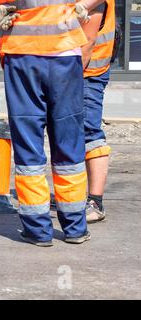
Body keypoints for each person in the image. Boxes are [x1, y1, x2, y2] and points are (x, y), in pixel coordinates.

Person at [0, 0, 106, 246]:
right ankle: (74, 227)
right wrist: (86, 4)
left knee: (28, 142)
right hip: (64, 53)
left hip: (22, 54)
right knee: (69, 140)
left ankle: (38, 229)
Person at [80, 0, 115, 223]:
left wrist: (67, 78)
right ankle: (72, 194)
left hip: (87, 71)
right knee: (68, 133)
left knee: (89, 132)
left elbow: (88, 41)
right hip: (80, 69)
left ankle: (95, 201)